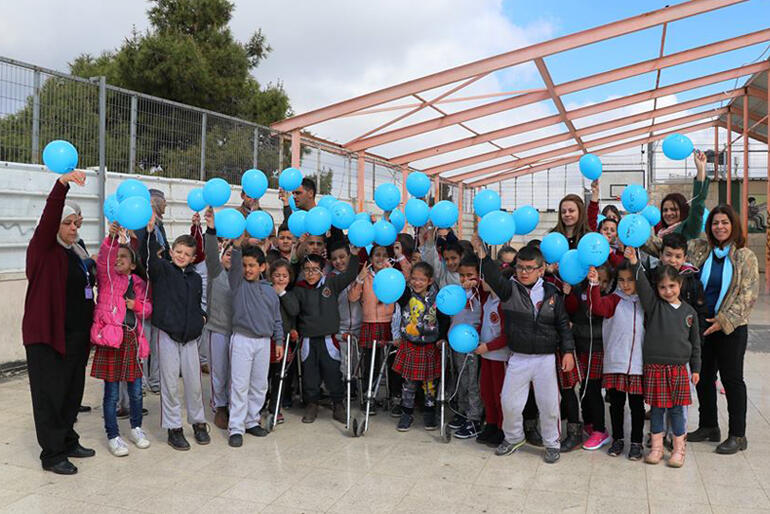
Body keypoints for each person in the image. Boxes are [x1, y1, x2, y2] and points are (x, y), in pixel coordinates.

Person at [475, 237, 575, 464]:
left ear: (541, 270)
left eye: (529, 268)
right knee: (508, 402)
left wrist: (567, 351)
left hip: (546, 358)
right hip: (518, 357)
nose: (523, 272)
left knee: (549, 405)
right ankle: (513, 438)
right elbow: (491, 275)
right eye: (520, 267)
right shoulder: (509, 291)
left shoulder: (552, 293)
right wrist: (482, 253)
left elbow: (562, 325)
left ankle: (552, 443)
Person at [23, 170, 96, 475]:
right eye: (67, 223)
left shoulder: (74, 252)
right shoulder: (43, 248)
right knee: (50, 396)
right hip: (48, 336)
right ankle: (52, 454)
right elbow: (50, 216)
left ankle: (67, 439)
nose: (72, 228)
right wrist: (61, 185)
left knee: (70, 393)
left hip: (75, 337)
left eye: (76, 223)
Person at [682, 206, 759, 454]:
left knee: (732, 379)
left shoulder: (744, 256)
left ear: (733, 225)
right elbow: (671, 252)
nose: (720, 227)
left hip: (730, 329)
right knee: (703, 378)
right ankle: (708, 426)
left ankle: (738, 434)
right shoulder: (699, 250)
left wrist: (724, 320)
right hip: (702, 327)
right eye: (715, 223)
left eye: (724, 222)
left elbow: (748, 295)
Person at [627, 248, 700, 468]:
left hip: (679, 368)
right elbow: (642, 286)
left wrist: (695, 369)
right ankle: (656, 448)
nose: (667, 291)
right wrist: (633, 262)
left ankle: (679, 449)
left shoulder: (689, 313)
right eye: (662, 287)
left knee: (677, 410)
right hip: (655, 367)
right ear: (657, 289)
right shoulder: (654, 306)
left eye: (672, 286)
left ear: (680, 285)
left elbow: (696, 344)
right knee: (657, 409)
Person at [145, 215, 209, 450]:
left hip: (190, 337)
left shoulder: (194, 278)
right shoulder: (162, 270)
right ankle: (174, 428)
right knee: (170, 384)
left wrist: (202, 318)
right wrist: (151, 233)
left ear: (193, 258)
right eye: (178, 251)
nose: (182, 256)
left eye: (187, 254)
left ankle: (199, 423)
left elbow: (199, 303)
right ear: (171, 252)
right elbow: (150, 260)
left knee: (194, 383)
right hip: (167, 334)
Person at [90, 222, 152, 457]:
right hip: (111, 341)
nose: (118, 259)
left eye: (124, 257)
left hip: (132, 341)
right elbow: (105, 257)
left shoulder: (138, 284)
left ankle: (136, 428)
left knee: (136, 391)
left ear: (133, 264)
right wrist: (112, 237)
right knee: (112, 394)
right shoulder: (107, 278)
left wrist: (135, 305)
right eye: (117, 256)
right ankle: (113, 435)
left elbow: (148, 309)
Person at [225, 239, 283, 448]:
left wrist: (279, 341)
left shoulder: (270, 291)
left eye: (252, 265)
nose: (247, 269)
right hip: (242, 339)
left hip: (264, 342)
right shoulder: (238, 284)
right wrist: (238, 247)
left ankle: (251, 420)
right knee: (240, 385)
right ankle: (236, 427)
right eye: (245, 265)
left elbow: (277, 319)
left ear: (262, 267)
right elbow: (234, 268)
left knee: (259, 384)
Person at [585, 261, 645, 460]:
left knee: (637, 406)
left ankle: (636, 442)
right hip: (616, 362)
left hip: (638, 364)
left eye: (630, 280)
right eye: (621, 280)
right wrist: (593, 285)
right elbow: (597, 307)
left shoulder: (645, 302)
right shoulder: (613, 300)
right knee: (617, 404)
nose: (626, 285)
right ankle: (618, 439)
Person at [293, 252, 359, 423]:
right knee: (310, 374)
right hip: (308, 339)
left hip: (329, 339)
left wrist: (355, 253)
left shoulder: (331, 283)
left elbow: (351, 274)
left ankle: (338, 404)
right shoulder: (299, 288)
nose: (310, 273)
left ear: (322, 270)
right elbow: (292, 312)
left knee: (333, 372)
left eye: (315, 269)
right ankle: (312, 404)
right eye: (307, 270)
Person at [391, 262, 450, 431]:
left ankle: (429, 413)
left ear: (430, 280)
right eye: (414, 279)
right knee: (409, 384)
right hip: (410, 344)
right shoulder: (406, 296)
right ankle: (406, 413)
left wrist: (442, 337)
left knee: (430, 384)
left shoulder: (438, 299)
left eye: (421, 280)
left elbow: (444, 319)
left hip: (430, 346)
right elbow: (396, 291)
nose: (417, 282)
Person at [562, 267, 611, 452]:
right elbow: (573, 312)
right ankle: (589, 423)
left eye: (603, 280)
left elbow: (599, 331)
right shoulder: (581, 291)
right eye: (595, 278)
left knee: (593, 390)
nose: (599, 283)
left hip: (596, 349)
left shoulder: (606, 298)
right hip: (580, 348)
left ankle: (600, 430)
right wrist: (568, 295)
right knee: (583, 388)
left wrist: (574, 328)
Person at [202, 208, 234, 430]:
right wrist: (211, 229)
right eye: (228, 254)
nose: (231, 257)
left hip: (240, 332)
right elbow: (210, 252)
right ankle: (220, 406)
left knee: (236, 373)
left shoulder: (245, 276)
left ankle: (235, 405)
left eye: (235, 254)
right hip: (218, 329)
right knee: (219, 371)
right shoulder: (215, 271)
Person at [447, 255, 484, 439]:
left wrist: (477, 284)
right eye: (462, 275)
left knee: (472, 383)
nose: (465, 279)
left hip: (472, 345)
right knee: (460, 380)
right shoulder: (455, 292)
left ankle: (474, 418)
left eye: (470, 275)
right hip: (456, 344)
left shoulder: (480, 294)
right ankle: (462, 412)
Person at [473, 275, 510, 447]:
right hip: (486, 355)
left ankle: (503, 428)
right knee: (486, 392)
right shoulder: (488, 299)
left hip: (499, 356)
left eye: (485, 278)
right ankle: (491, 424)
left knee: (499, 395)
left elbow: (507, 336)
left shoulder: (503, 303)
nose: (482, 281)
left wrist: (488, 347)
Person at [267, 259, 299, 423]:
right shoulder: (265, 291)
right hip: (267, 340)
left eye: (284, 276)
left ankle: (275, 406)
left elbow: (293, 311)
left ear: (290, 277)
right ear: (270, 276)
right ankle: (259, 405)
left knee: (280, 375)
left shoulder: (291, 294)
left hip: (283, 342)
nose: (280, 279)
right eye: (277, 275)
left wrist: (282, 294)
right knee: (264, 375)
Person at [654, 150, 708, 238]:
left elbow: (698, 203)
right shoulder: (661, 234)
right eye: (665, 210)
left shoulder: (689, 229)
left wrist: (701, 169)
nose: (668, 213)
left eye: (673, 209)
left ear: (683, 210)